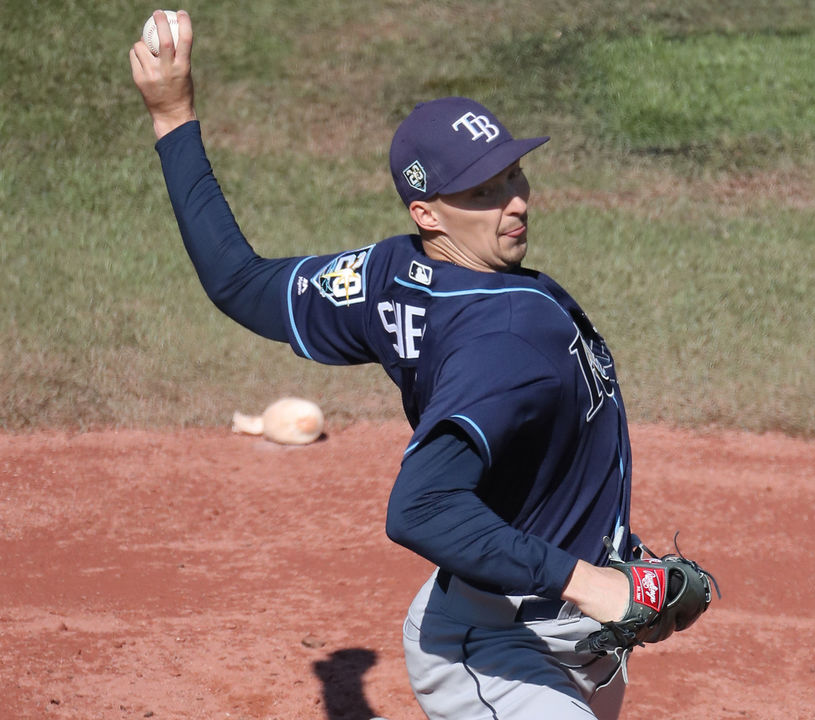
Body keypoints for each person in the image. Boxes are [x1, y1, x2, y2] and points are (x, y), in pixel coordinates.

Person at [131, 11, 641, 719]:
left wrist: (173, 117)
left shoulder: (392, 275)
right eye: (484, 191)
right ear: (428, 213)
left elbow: (239, 282)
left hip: (566, 631)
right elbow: (420, 508)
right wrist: (589, 582)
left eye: (514, 172)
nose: (516, 200)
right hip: (497, 647)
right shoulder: (503, 342)